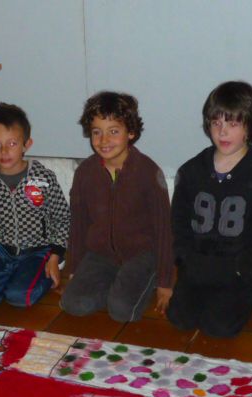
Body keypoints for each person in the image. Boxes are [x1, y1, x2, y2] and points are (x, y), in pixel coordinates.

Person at [167, 81, 252, 337]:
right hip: (198, 264)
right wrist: (184, 258)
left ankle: (249, 298)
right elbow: (179, 220)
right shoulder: (191, 171)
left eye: (232, 124)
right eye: (216, 123)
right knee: (179, 319)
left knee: (217, 327)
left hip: (237, 270)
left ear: (250, 127)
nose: (222, 132)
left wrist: (244, 268)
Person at [61, 91, 174, 322]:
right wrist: (73, 269)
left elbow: (164, 229)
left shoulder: (148, 173)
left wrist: (166, 282)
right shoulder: (85, 173)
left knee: (122, 311)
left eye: (113, 131)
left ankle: (140, 282)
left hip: (141, 255)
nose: (104, 141)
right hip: (101, 254)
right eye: (96, 132)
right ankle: (116, 285)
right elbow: (78, 224)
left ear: (130, 133)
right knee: (72, 303)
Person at [0, 102, 70, 308]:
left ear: (26, 144)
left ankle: (40, 275)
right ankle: (3, 276)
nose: (4, 151)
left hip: (38, 251)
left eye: (12, 143)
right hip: (0, 251)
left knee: (20, 297)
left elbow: (62, 217)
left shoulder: (44, 178)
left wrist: (55, 255)